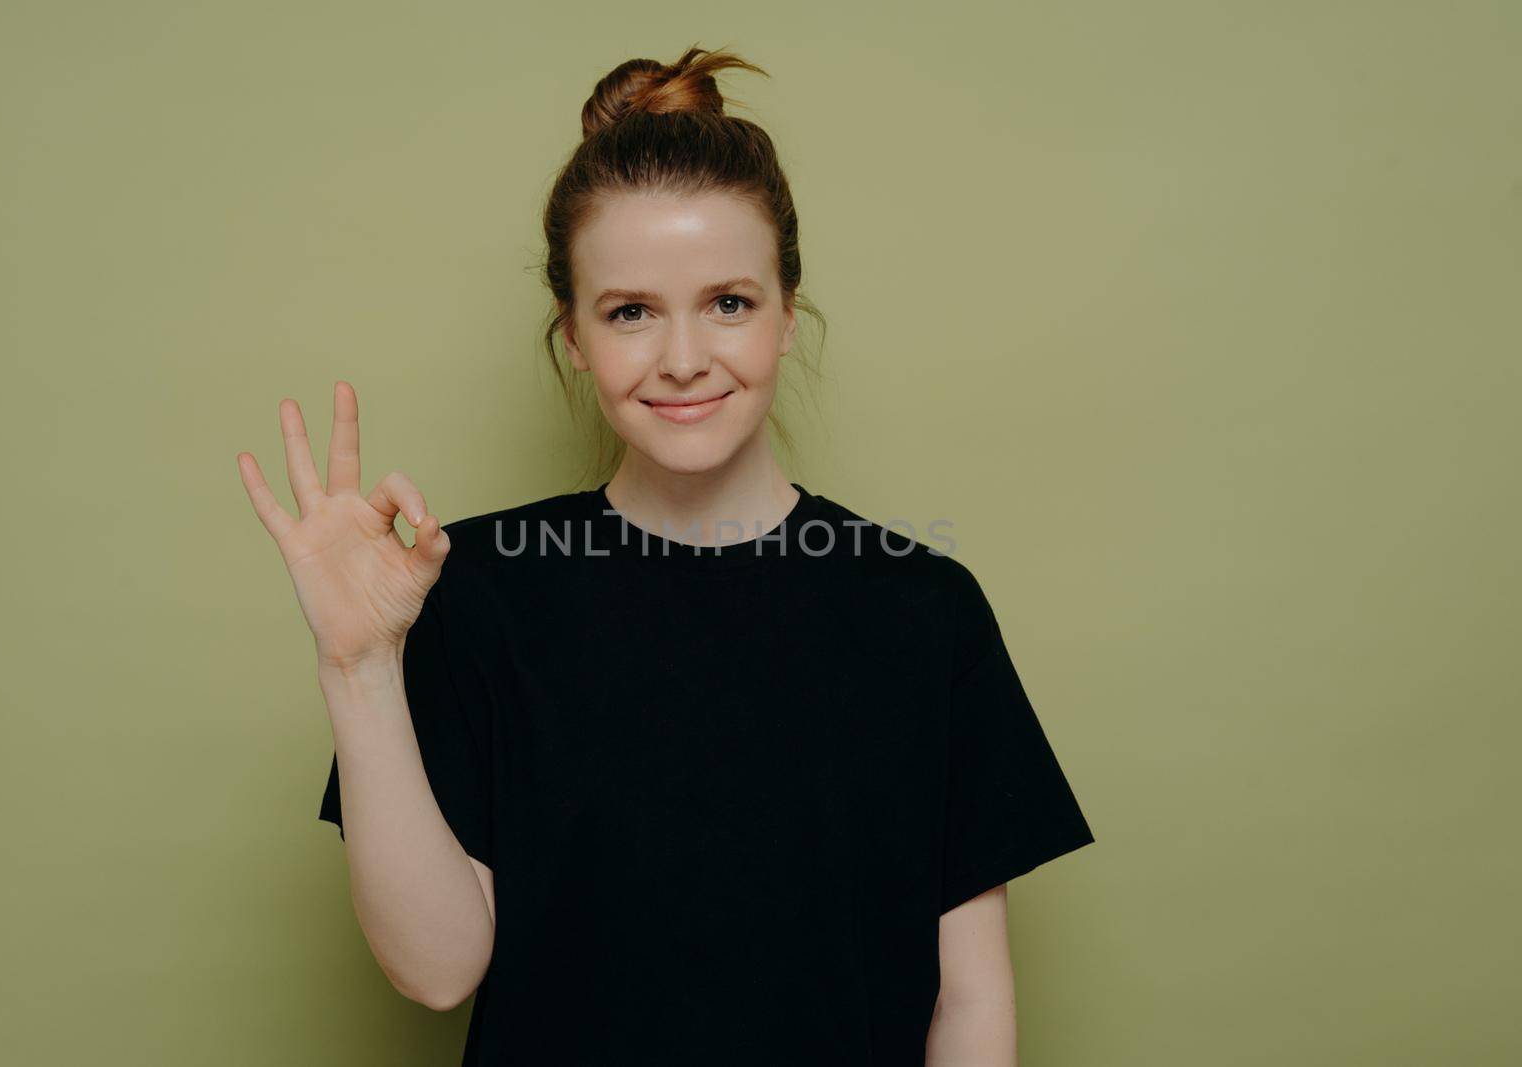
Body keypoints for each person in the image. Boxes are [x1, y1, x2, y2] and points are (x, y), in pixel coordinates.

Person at [238, 44, 1095, 1066]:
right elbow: (436, 969)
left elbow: (968, 1005)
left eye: (728, 301)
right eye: (630, 311)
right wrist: (359, 665)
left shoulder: (924, 609)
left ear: (786, 315)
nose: (682, 357)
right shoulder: (475, 592)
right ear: (574, 338)